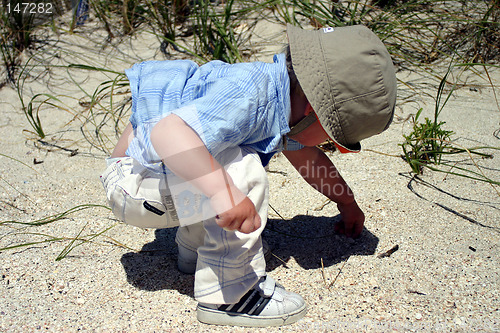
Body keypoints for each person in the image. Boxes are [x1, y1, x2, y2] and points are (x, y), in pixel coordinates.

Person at [100, 24, 397, 327]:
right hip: (135, 184)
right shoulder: (252, 94)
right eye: (334, 140)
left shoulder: (283, 103)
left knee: (216, 164)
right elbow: (168, 134)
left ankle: (195, 253)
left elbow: (310, 161)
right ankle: (230, 295)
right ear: (314, 110)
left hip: (156, 182)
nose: (327, 146)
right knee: (240, 168)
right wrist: (222, 193)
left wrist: (346, 202)